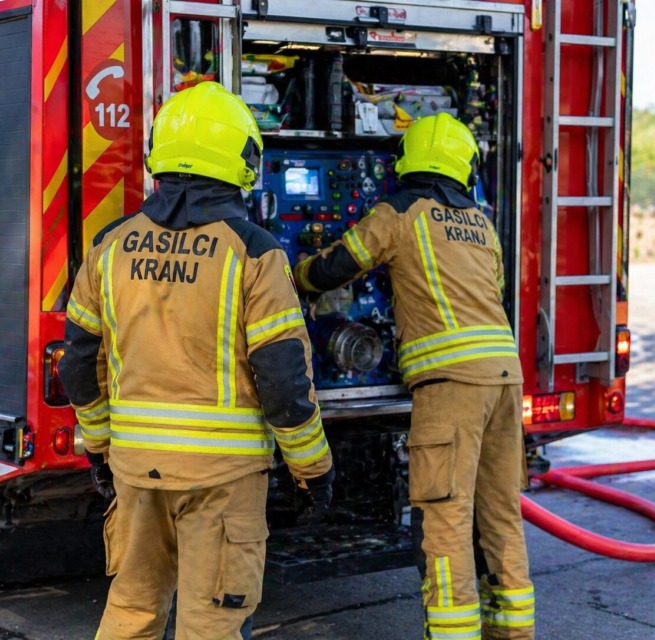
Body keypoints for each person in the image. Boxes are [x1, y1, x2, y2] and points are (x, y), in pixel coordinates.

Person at [58, 81, 334, 640]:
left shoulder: (110, 244)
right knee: (211, 622)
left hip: (136, 470)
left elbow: (78, 366)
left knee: (131, 610)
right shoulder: (255, 253)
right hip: (222, 480)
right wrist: (313, 473)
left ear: (162, 153)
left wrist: (101, 450)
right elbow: (284, 385)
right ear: (242, 160)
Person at [293, 112, 534, 640]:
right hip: (504, 380)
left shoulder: (401, 212)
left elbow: (339, 266)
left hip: (452, 387)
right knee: (499, 513)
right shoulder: (482, 223)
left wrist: (295, 273)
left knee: (445, 517)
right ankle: (513, 631)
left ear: (410, 161)